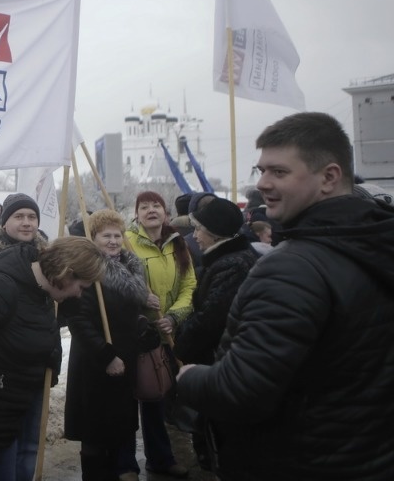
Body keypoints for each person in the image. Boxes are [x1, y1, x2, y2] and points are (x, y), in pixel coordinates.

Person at [176, 112, 394, 480]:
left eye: (279, 172)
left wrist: (190, 378)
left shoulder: (293, 268)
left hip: (301, 461)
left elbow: (241, 391)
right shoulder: (374, 242)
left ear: (329, 177)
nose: (262, 183)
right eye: (261, 170)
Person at [0, 193, 107, 481]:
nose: (80, 294)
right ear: (65, 273)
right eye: (81, 286)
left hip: (10, 417)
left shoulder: (43, 290)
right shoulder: (2, 285)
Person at [62, 209, 158, 481]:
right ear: (93, 238)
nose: (114, 241)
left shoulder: (130, 267)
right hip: (95, 363)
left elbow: (125, 314)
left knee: (118, 430)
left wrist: (143, 328)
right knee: (95, 434)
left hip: (124, 361)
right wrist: (106, 356)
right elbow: (79, 321)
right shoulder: (86, 269)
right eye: (106, 236)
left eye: (118, 235)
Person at [173, 197, 258, 472]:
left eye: (199, 229)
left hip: (222, 362)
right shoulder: (228, 259)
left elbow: (211, 319)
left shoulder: (232, 265)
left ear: (216, 232)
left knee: (225, 446)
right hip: (220, 360)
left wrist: (181, 340)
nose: (195, 236)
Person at [121, 191, 194, 480]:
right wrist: (141, 298)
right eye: (144, 206)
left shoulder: (178, 243)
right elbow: (115, 282)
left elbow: (189, 285)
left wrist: (174, 317)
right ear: (136, 214)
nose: (151, 210)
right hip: (134, 333)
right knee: (128, 401)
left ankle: (161, 458)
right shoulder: (125, 242)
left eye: (156, 205)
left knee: (156, 396)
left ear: (165, 212)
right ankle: (126, 464)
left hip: (165, 334)